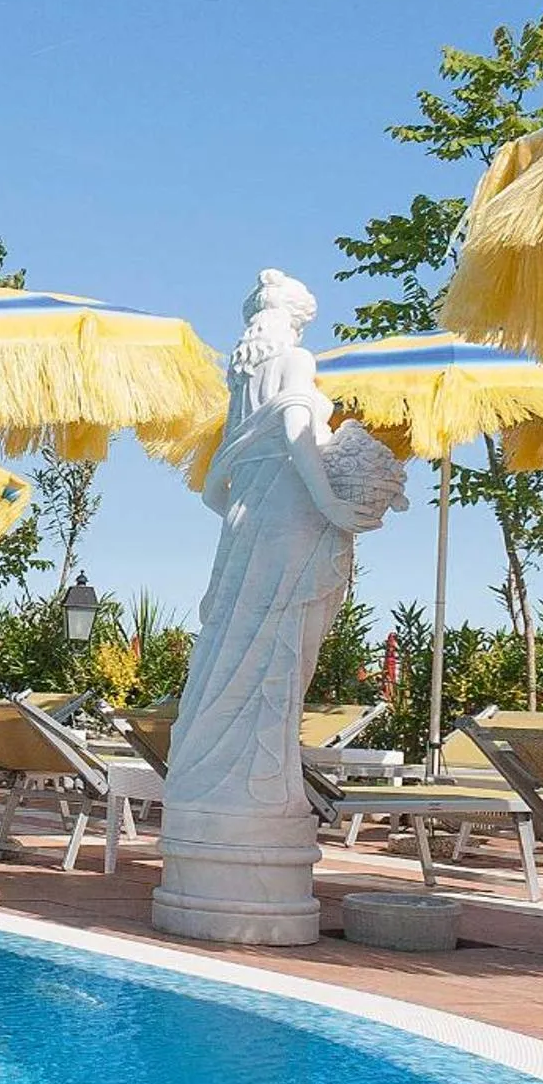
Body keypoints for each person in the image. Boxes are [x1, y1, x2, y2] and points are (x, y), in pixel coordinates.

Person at [168, 270, 408, 817]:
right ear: (294, 323)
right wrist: (330, 504)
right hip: (293, 517)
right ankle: (261, 789)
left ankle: (213, 781)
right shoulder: (296, 362)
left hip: (247, 522)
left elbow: (212, 492)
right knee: (286, 644)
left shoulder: (240, 391)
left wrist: (253, 512)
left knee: (233, 642)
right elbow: (299, 430)